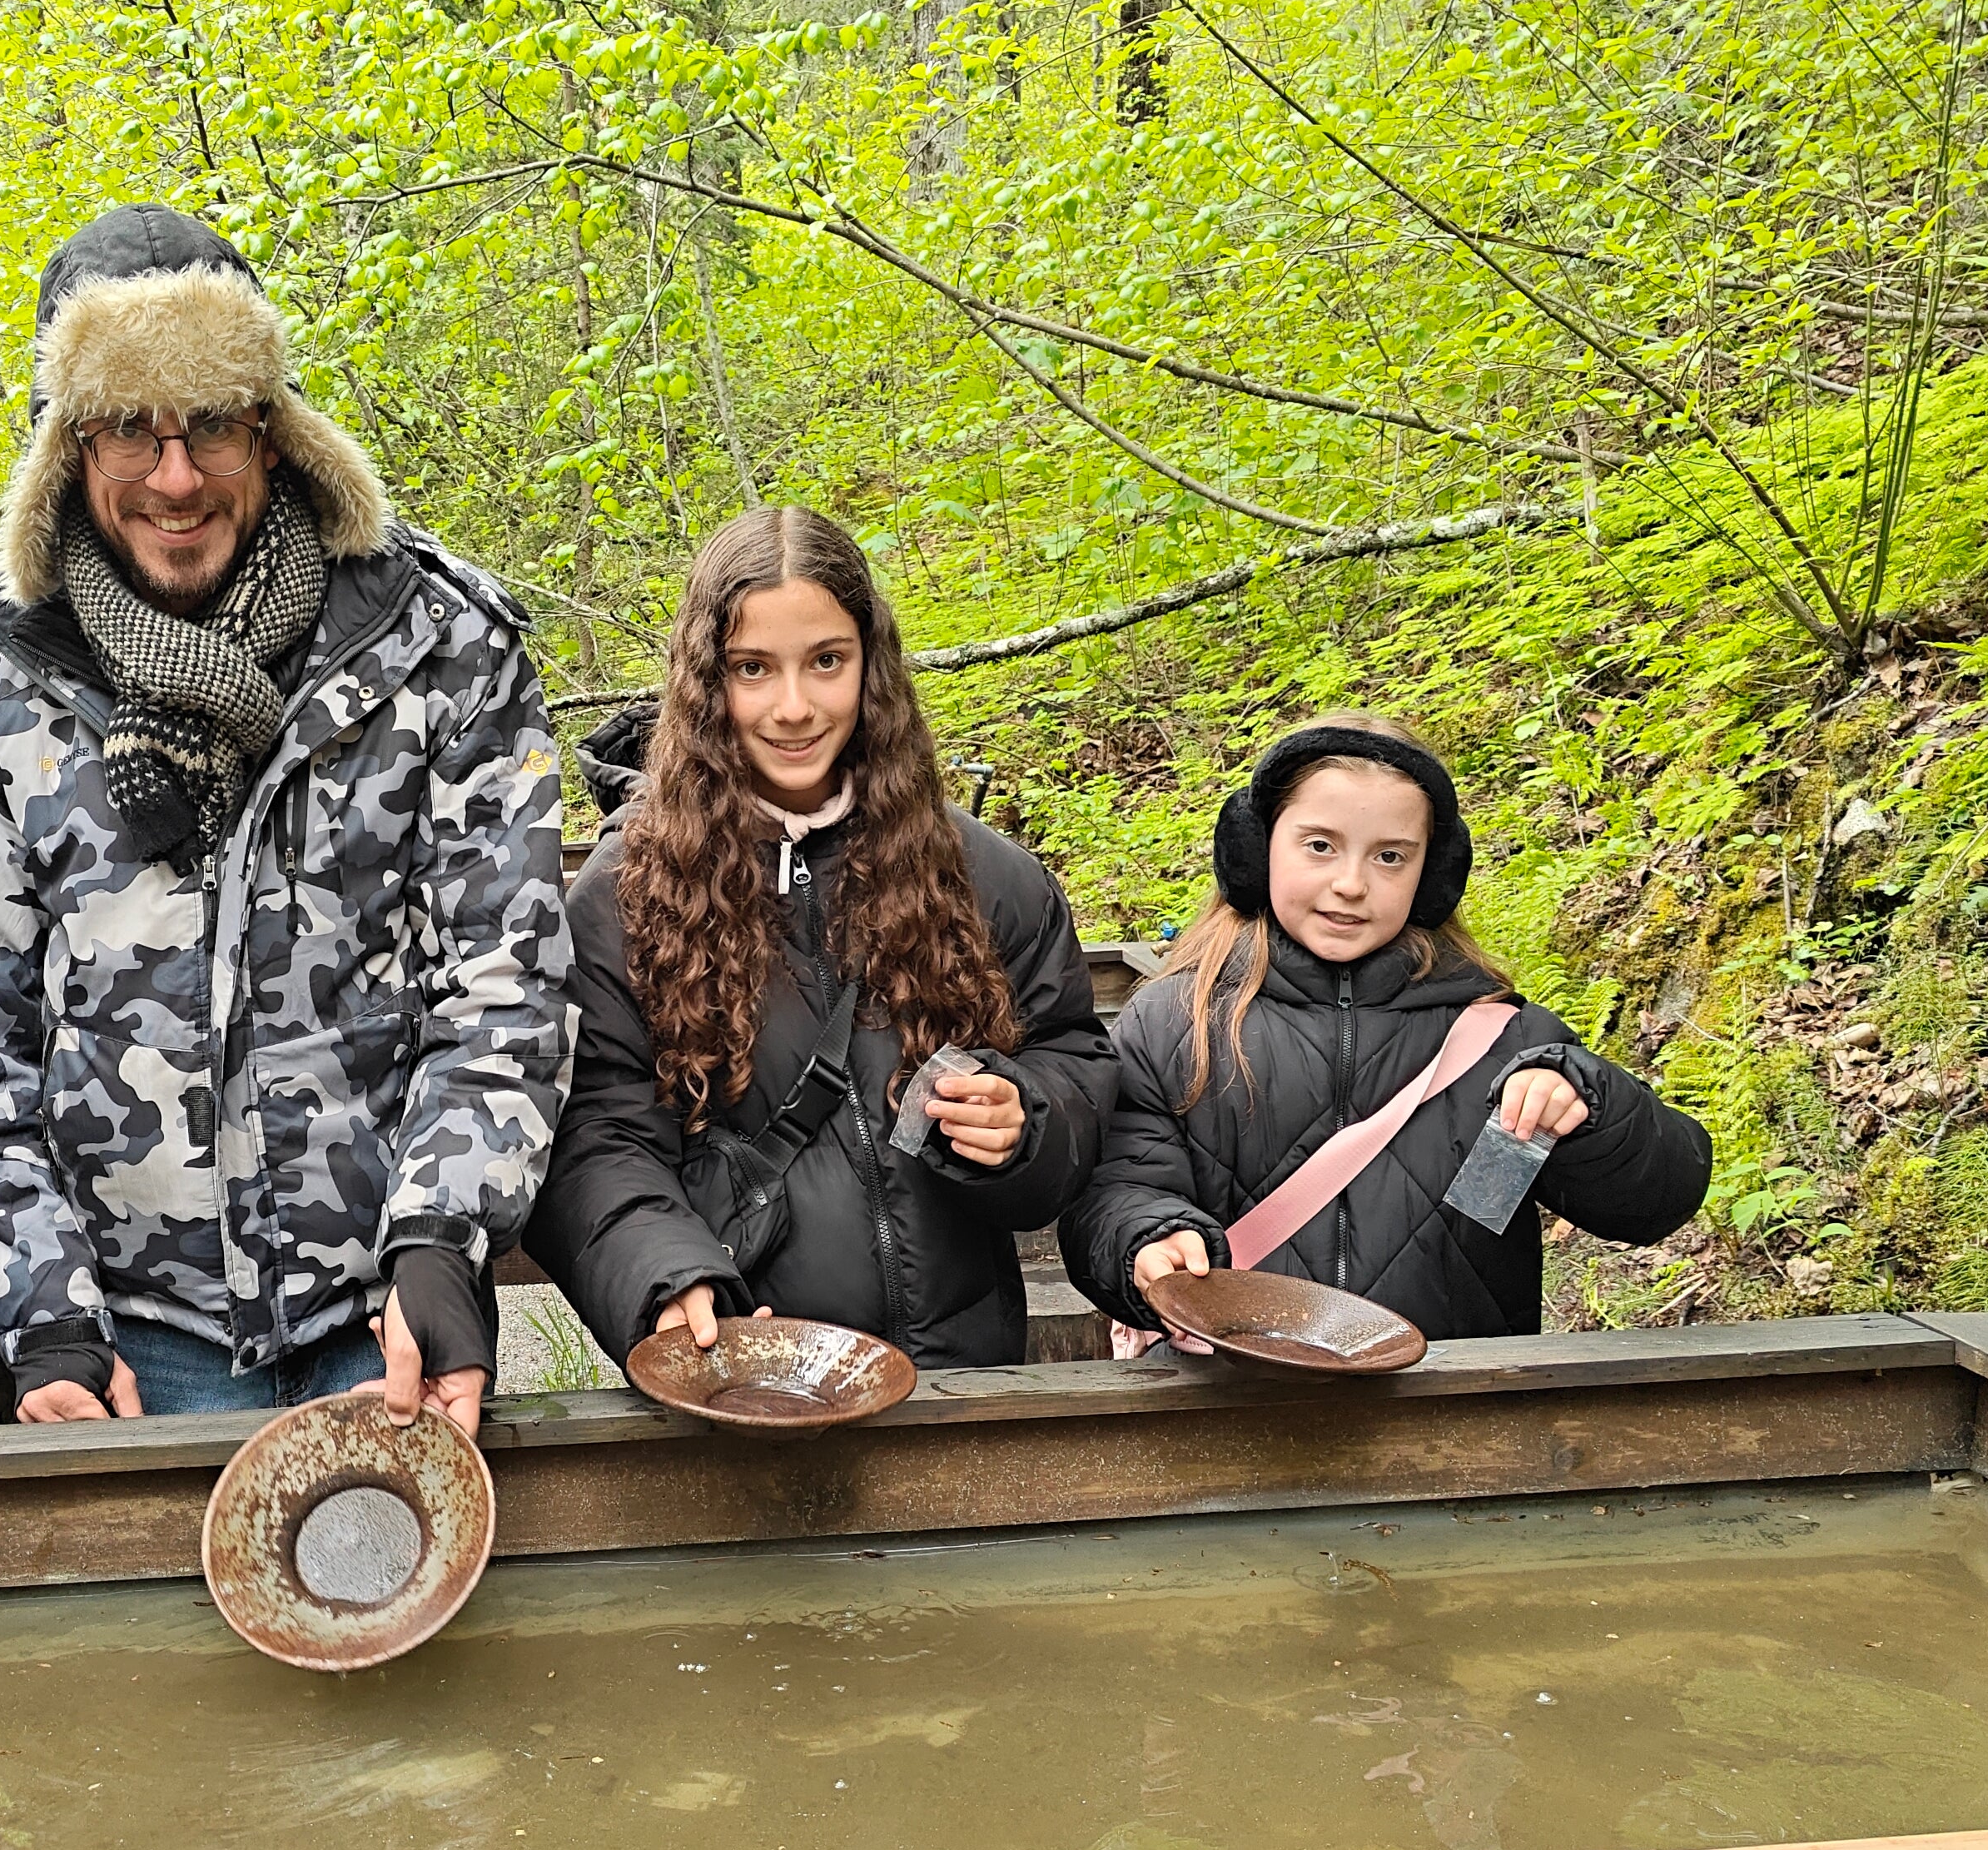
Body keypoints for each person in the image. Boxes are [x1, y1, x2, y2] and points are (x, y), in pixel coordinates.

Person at [0, 204, 569, 1439]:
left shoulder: (440, 646)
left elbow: (504, 983)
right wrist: (44, 1309)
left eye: (212, 422)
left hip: (388, 1312)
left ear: (273, 433)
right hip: (123, 1334)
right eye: (128, 431)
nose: (175, 477)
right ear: (69, 450)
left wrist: (442, 1240)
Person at [527, 505, 1116, 1369]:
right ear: (703, 680)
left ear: (870, 667)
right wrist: (666, 1281)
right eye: (752, 669)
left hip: (964, 1389)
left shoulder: (984, 876)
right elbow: (595, 1138)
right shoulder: (624, 897)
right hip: (750, 1375)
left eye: (826, 662)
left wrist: (1023, 1119)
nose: (793, 707)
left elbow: (1073, 1058)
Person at [1061, 715, 1711, 1345]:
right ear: (1256, 849)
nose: (1351, 885)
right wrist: (1147, 1237)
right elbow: (1118, 1187)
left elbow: (1657, 1200)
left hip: (1450, 1418)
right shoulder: (1175, 1024)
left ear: (1433, 876)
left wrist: (1589, 1108)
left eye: (1391, 857)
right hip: (1236, 1406)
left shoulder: (1500, 1041)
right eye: (1320, 846)